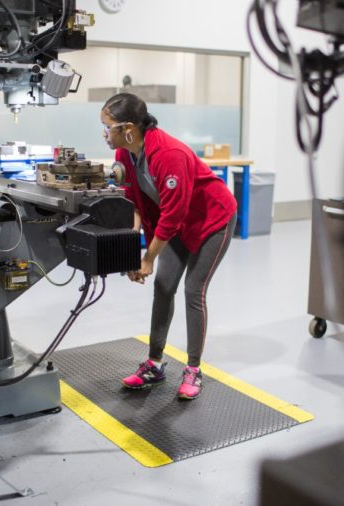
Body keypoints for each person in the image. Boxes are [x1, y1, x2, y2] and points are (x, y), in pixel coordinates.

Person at [100, 93, 237, 400]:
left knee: (193, 290)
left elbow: (173, 216)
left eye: (108, 127)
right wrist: (133, 254)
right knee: (163, 287)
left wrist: (148, 258)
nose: (104, 133)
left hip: (211, 220)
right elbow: (135, 205)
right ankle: (154, 364)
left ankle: (193, 369)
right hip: (175, 224)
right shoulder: (125, 154)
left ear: (129, 129)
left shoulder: (168, 154)